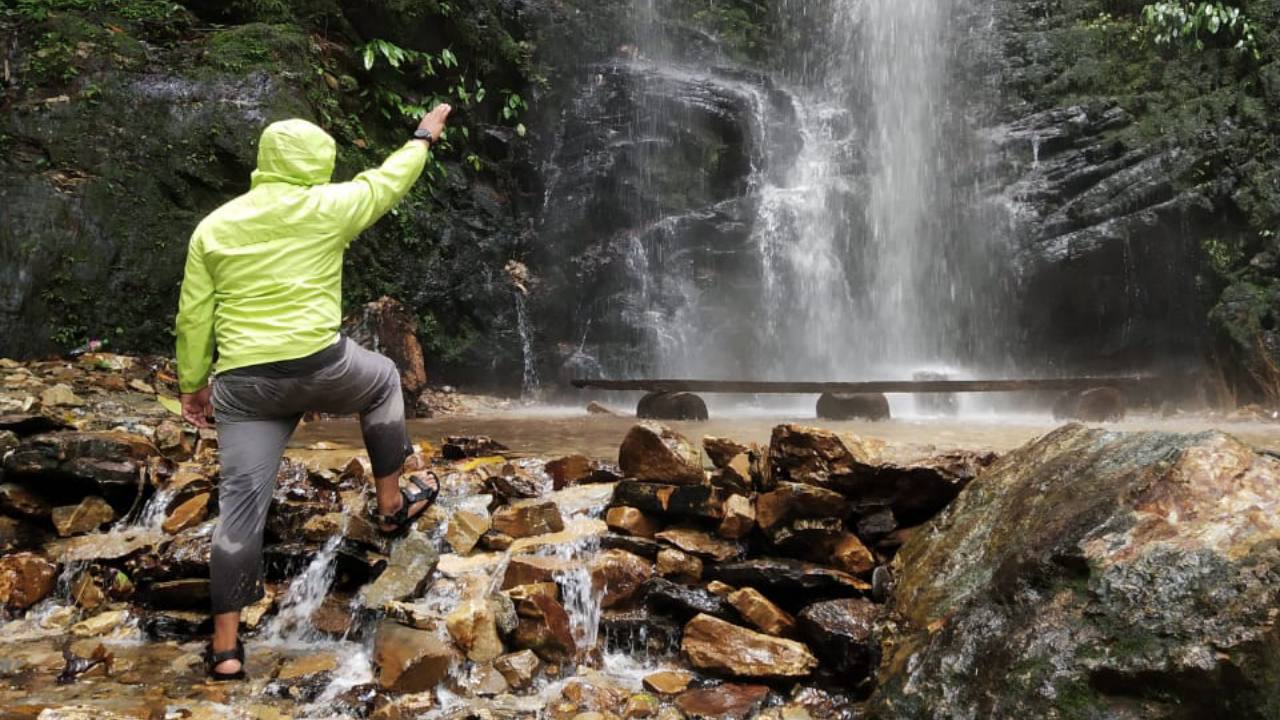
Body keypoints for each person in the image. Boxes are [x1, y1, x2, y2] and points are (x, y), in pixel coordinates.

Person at [174, 104, 452, 681]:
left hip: (244, 386)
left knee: (239, 512)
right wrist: (423, 137)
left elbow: (193, 316)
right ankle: (392, 507)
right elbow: (387, 182)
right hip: (321, 366)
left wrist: (193, 386)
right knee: (383, 379)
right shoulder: (328, 206)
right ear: (317, 162)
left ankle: (226, 651)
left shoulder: (214, 226)